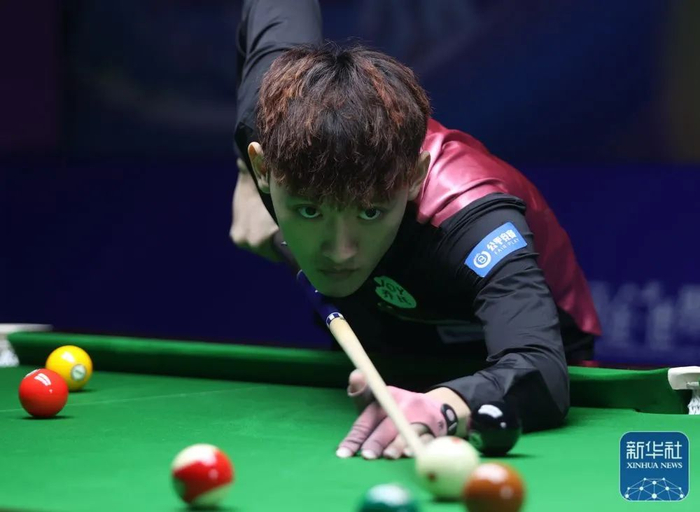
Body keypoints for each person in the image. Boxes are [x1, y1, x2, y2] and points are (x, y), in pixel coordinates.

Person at [231, 0, 601, 461]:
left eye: (369, 212)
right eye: (309, 210)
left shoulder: (471, 216)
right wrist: (246, 178)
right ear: (265, 166)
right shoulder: (269, 126)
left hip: (505, 334)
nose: (340, 251)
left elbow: (540, 370)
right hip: (385, 318)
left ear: (414, 176)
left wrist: (445, 406)